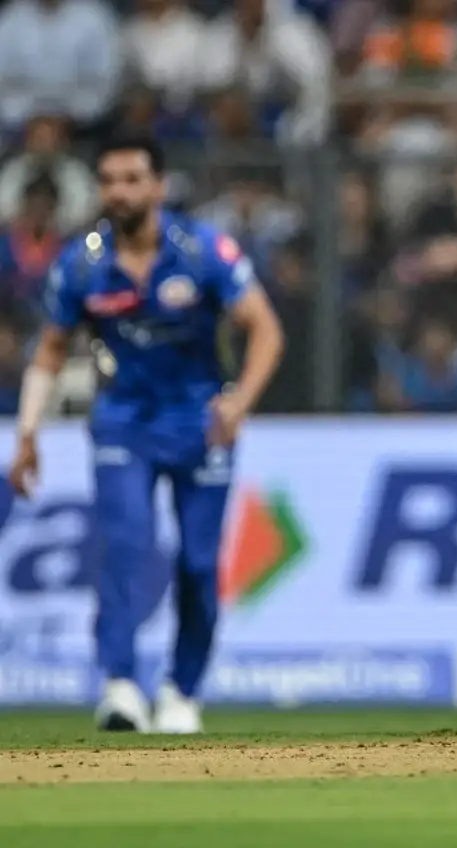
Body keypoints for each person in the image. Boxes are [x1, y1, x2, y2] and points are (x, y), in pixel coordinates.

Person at [6, 135, 284, 733]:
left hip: (199, 422)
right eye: (109, 180)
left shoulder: (203, 250)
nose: (119, 192)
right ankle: (121, 685)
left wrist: (240, 402)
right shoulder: (82, 263)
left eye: (132, 179)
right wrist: (27, 433)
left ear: (158, 186)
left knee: (199, 563)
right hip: (122, 421)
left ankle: (182, 692)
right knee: (125, 547)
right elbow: (50, 351)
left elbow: (265, 328)